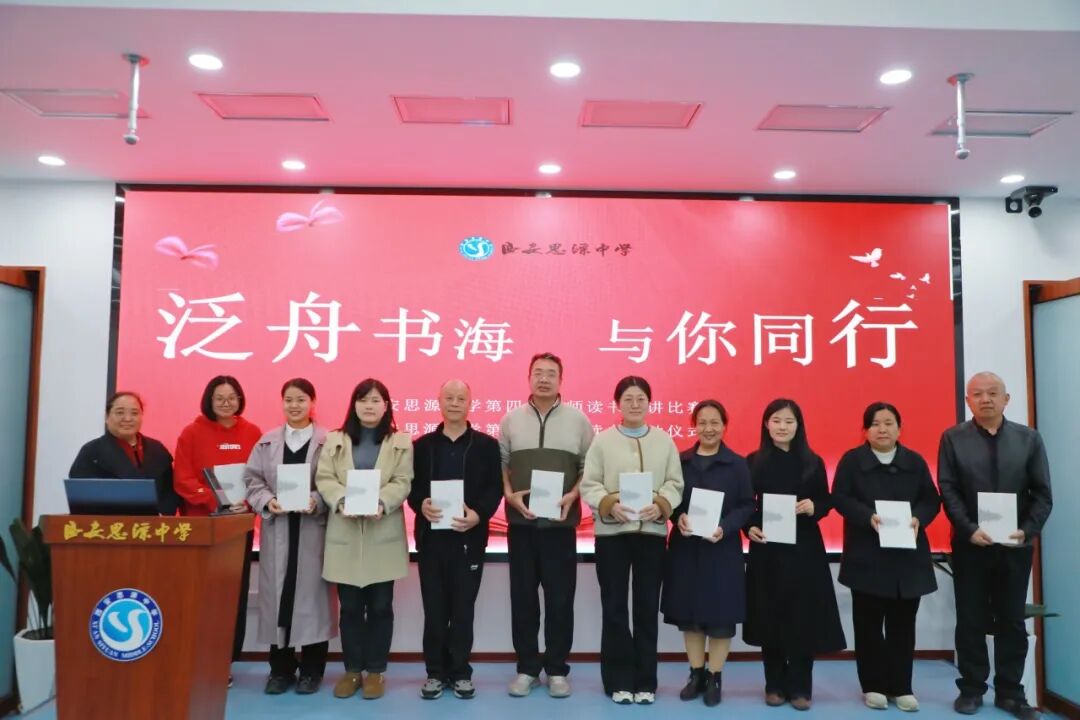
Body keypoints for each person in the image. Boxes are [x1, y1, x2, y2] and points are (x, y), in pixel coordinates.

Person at [939, 372, 1052, 720]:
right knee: (970, 617)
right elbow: (948, 489)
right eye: (977, 394)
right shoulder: (953, 438)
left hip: (1014, 546)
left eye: (992, 393)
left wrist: (1026, 530)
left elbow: (1042, 494)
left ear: (1006, 399)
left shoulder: (1028, 439)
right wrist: (968, 529)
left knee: (1011, 619)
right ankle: (972, 689)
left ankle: (1010, 693)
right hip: (970, 545)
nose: (985, 399)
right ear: (968, 401)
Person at [832, 402, 941, 712]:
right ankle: (874, 685)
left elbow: (931, 500)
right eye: (875, 424)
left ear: (899, 429)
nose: (882, 429)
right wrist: (866, 516)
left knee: (903, 626)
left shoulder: (914, 462)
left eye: (889, 423)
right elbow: (840, 497)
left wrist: (919, 517)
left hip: (908, 558)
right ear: (865, 430)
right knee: (868, 625)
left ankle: (901, 686)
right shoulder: (852, 461)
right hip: (867, 554)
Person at [580, 376, 683, 705]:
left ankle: (646, 681)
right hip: (612, 535)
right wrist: (609, 504)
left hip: (651, 535)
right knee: (614, 608)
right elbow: (589, 484)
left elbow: (675, 483)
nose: (635, 404)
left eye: (640, 399)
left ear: (649, 403)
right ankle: (618, 680)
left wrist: (662, 504)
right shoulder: (602, 441)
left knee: (646, 607)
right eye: (628, 399)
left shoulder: (664, 441)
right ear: (617, 403)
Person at [499, 352, 594, 698]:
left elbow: (589, 467)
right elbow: (502, 463)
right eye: (538, 372)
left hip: (560, 526)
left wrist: (573, 495)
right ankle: (527, 668)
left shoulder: (578, 421)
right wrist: (508, 494)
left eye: (551, 373)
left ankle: (556, 669)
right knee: (523, 599)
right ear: (529, 377)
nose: (543, 379)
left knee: (560, 600)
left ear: (560, 380)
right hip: (521, 525)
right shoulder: (511, 420)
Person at [743, 398, 845, 711]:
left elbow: (826, 500)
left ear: (798, 425)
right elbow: (744, 504)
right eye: (776, 420)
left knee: (803, 616)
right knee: (769, 614)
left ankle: (801, 685)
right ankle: (774, 683)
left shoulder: (812, 461)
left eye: (789, 421)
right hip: (767, 548)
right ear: (766, 424)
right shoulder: (753, 461)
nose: (782, 427)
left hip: (804, 549)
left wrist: (815, 506)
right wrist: (749, 526)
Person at [316, 378, 413, 701]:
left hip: (382, 533)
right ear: (354, 405)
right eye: (363, 400)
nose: (369, 406)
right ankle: (352, 670)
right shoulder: (335, 440)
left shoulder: (400, 441)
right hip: (345, 532)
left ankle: (376, 671)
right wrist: (341, 500)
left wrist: (382, 502)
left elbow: (403, 480)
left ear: (386, 406)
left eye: (375, 400)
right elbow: (325, 478)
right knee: (351, 608)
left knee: (381, 606)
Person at [407, 379, 502, 700]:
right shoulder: (422, 446)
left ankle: (461, 673)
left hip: (469, 540)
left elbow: (494, 488)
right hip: (431, 541)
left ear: (470, 403)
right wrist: (420, 504)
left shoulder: (486, 446)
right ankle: (435, 673)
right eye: (449, 397)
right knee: (434, 610)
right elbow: (412, 487)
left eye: (461, 398)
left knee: (463, 610)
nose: (455, 403)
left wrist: (479, 514)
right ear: (439, 401)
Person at [244, 378, 335, 695]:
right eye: (289, 400)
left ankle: (312, 670)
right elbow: (252, 481)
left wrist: (317, 500)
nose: (294, 405)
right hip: (278, 530)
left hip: (313, 530)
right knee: (279, 600)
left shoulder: (328, 441)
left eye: (301, 399)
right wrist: (268, 501)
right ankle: (280, 669)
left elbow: (335, 482)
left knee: (313, 602)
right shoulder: (266, 442)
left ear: (313, 402)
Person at [661, 399, 754, 707]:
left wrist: (725, 527)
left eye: (715, 422)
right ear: (694, 426)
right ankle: (696, 673)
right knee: (689, 616)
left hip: (721, 550)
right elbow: (670, 499)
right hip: (686, 548)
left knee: (721, 617)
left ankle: (715, 676)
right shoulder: (681, 461)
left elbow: (747, 505)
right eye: (702, 422)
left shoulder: (737, 464)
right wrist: (677, 517)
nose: (708, 428)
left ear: (724, 426)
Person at [173, 375, 262, 685]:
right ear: (209, 401)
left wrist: (246, 502)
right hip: (202, 528)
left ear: (240, 400)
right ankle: (194, 659)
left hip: (238, 528)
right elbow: (183, 479)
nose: (226, 403)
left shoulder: (252, 432)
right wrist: (217, 500)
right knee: (201, 597)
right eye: (220, 398)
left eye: (232, 398)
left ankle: (224, 662)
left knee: (233, 598)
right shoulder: (191, 432)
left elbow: (259, 477)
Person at [69, 391, 181, 515]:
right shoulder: (91, 451)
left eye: (134, 413)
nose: (127, 419)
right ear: (107, 417)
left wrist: (161, 514)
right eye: (120, 412)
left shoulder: (157, 449)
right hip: (108, 523)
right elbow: (81, 493)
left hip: (153, 523)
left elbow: (170, 491)